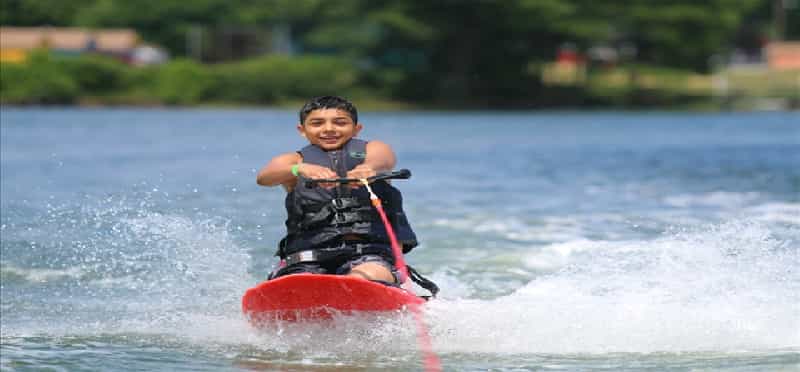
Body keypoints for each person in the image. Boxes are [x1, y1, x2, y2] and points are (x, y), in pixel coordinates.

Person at [256, 96, 420, 285]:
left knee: (363, 277)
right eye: (317, 123)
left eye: (340, 123)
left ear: (356, 129)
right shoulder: (294, 161)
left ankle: (370, 283)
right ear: (302, 130)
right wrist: (298, 169)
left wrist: (367, 168)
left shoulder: (372, 150)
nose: (328, 129)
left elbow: (385, 158)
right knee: (302, 283)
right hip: (308, 257)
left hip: (369, 253)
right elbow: (264, 177)